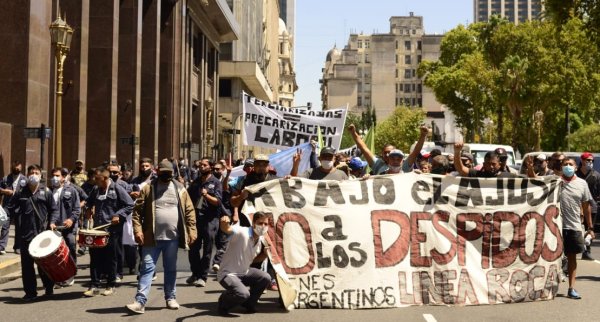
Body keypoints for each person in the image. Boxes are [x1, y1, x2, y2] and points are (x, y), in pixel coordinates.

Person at [126, 160, 197, 314]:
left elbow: (190, 211)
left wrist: (192, 230)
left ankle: (170, 297)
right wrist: (137, 230)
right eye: (163, 172)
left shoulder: (180, 188)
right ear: (157, 171)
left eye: (169, 173)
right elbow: (137, 212)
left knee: (170, 269)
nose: (166, 175)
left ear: (173, 173)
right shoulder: (148, 188)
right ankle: (140, 301)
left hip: (172, 238)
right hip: (151, 237)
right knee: (147, 269)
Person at [6, 164, 58, 300]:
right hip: (26, 234)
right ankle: (30, 292)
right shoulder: (20, 193)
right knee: (27, 266)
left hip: (42, 234)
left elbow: (54, 210)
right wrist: (10, 215)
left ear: (40, 176)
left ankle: (48, 287)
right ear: (27, 175)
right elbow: (10, 208)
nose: (33, 175)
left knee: (43, 264)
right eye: (31, 173)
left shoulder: (46, 192)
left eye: (36, 173)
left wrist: (52, 222)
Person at [84, 167, 134, 297]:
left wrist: (119, 214)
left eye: (97, 178)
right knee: (94, 258)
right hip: (97, 229)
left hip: (112, 230)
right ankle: (94, 285)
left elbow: (129, 204)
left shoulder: (117, 189)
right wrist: (88, 209)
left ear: (105, 178)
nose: (95, 181)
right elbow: (88, 202)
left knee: (110, 258)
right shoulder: (96, 189)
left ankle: (110, 285)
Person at [216, 211, 271, 315]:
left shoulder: (260, 240)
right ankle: (223, 303)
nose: (263, 226)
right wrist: (224, 223)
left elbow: (252, 260)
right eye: (260, 223)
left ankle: (248, 304)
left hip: (244, 272)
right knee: (243, 293)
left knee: (266, 277)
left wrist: (264, 255)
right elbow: (227, 229)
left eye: (266, 224)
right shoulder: (242, 232)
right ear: (253, 223)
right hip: (227, 274)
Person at [559, 157, 595, 299]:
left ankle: (571, 288)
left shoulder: (582, 184)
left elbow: (586, 207)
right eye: (565, 164)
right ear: (561, 167)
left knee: (572, 258)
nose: (567, 166)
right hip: (555, 226)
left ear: (576, 168)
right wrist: (530, 169)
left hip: (573, 226)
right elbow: (534, 180)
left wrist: (590, 227)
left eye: (570, 164)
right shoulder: (555, 182)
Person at [186, 158, 222, 287]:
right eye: (200, 165)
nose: (201, 167)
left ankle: (203, 276)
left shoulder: (216, 183)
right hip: (196, 219)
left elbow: (218, 202)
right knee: (193, 248)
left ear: (210, 167)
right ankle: (195, 273)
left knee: (207, 250)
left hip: (210, 220)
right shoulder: (196, 182)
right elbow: (187, 198)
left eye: (204, 165)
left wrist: (207, 195)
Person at [48, 167, 81, 288]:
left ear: (63, 177)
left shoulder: (72, 190)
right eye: (53, 175)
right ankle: (60, 277)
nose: (55, 178)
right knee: (56, 253)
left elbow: (77, 210)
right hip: (54, 228)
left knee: (70, 249)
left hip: (68, 228)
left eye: (57, 175)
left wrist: (71, 220)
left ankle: (71, 274)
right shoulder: (49, 191)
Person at [576, 152, 600, 260]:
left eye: (591, 161)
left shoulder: (596, 175)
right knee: (579, 228)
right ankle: (576, 250)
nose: (590, 162)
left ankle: (587, 251)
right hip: (576, 205)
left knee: (589, 228)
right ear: (582, 161)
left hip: (592, 205)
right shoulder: (575, 175)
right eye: (588, 160)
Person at [0, 161, 26, 255]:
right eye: (15, 167)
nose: (16, 169)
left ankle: (17, 247)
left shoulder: (24, 179)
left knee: (19, 228)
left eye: (18, 168)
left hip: (19, 207)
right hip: (7, 207)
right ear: (12, 167)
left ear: (21, 167)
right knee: (5, 226)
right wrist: (4, 191)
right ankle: (2, 246)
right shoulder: (6, 178)